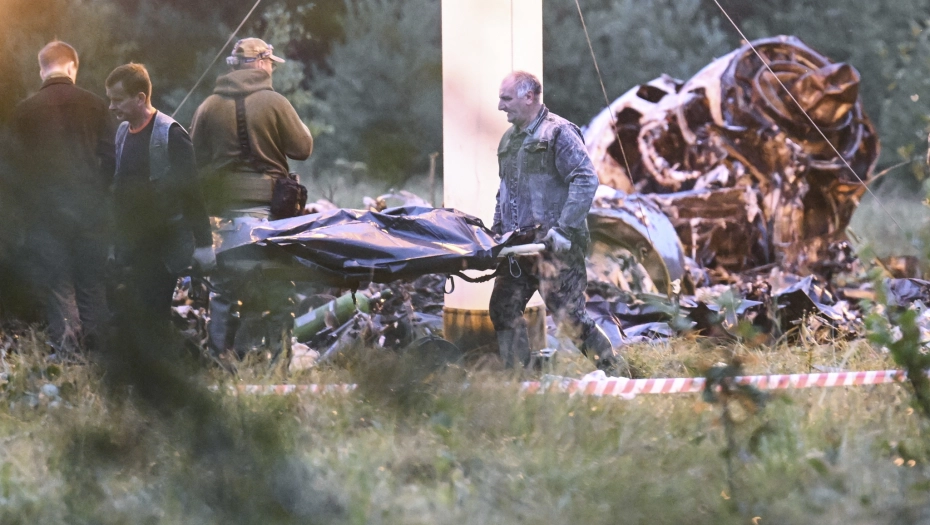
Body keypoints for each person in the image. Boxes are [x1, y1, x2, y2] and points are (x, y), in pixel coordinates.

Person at [490, 71, 622, 374]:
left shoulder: (558, 133)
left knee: (570, 319)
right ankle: (520, 380)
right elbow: (504, 191)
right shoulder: (508, 140)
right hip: (518, 250)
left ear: (529, 97)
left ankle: (616, 374)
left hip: (555, 248)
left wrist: (565, 229)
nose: (500, 106)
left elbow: (586, 179)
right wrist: (496, 234)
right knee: (502, 308)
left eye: (506, 99)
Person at [190, 37, 313, 358]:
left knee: (224, 291)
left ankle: (220, 360)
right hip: (271, 214)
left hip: (223, 215)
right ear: (260, 62)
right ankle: (277, 361)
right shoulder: (275, 102)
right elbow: (303, 148)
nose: (271, 68)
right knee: (277, 287)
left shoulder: (208, 106)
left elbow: (193, 160)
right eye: (270, 62)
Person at [10, 41, 115, 353]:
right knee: (92, 285)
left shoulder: (24, 111)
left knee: (59, 288)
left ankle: (68, 359)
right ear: (72, 66)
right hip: (90, 213)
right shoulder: (95, 105)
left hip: (46, 216)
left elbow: (13, 168)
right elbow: (112, 157)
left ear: (42, 69)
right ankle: (100, 359)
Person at [104, 63, 214, 323]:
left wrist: (204, 244)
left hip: (164, 247)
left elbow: (192, 191)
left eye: (117, 100)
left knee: (153, 315)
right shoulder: (122, 133)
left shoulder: (171, 134)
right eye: (110, 100)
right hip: (131, 245)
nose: (111, 107)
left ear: (140, 98)